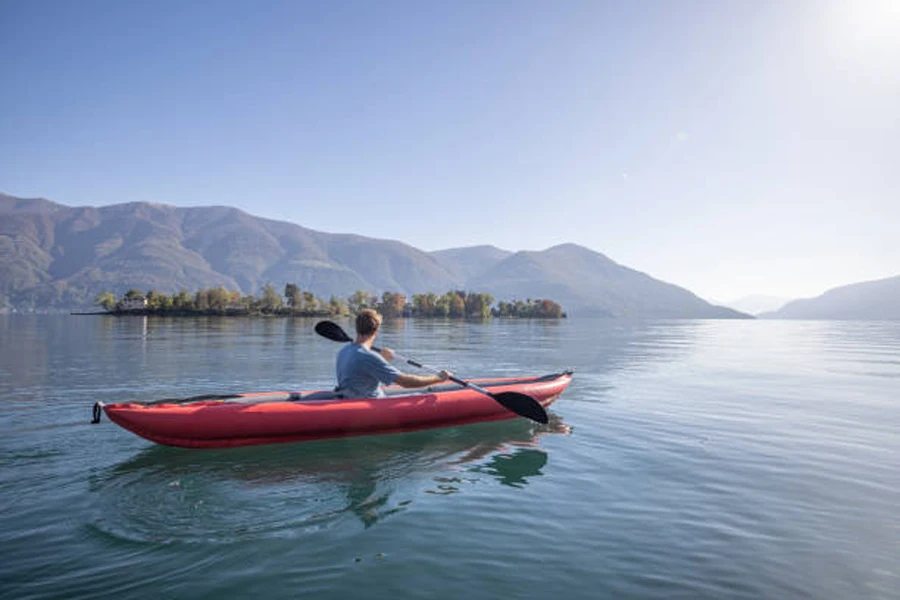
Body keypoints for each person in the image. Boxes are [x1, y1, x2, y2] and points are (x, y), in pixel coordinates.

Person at [336, 309, 451, 398]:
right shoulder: (369, 356)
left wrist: (382, 358)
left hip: (350, 397)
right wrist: (438, 378)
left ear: (357, 328)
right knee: (418, 396)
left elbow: (363, 371)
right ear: (376, 331)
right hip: (370, 404)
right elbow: (406, 382)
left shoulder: (344, 351)